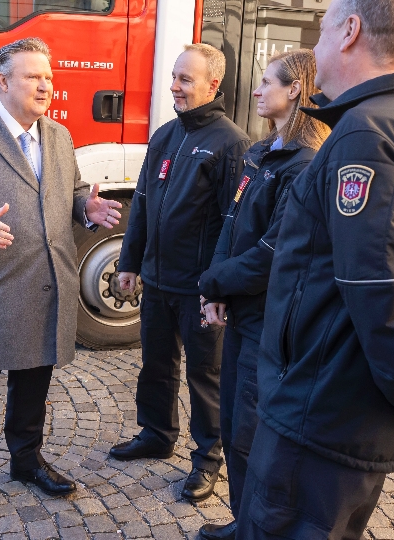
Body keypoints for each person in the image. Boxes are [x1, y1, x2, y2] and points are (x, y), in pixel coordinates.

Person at [236, 0, 394, 537]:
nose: (316, 46)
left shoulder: (365, 135)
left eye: (323, 28)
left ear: (351, 30)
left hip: (321, 414)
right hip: (342, 415)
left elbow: (382, 291)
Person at [0, 38, 122, 523]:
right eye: (33, 76)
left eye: (48, 77)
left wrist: (87, 207)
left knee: (34, 381)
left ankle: (27, 461)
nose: (45, 85)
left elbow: (72, 191)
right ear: (2, 82)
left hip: (46, 284)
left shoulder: (59, 135)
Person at [196, 49, 329, 540]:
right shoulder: (260, 151)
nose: (255, 90)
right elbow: (232, 227)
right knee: (234, 429)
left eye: (266, 82)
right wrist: (217, 286)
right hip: (242, 313)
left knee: (252, 438)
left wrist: (211, 283)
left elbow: (272, 254)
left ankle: (257, 529)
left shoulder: (304, 163)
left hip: (270, 326)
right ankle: (243, 524)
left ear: (294, 90)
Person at [112, 43, 250, 503]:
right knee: (156, 364)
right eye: (174, 76)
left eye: (185, 79)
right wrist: (131, 262)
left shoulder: (231, 144)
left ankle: (208, 458)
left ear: (213, 85)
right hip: (157, 281)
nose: (174, 86)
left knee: (206, 376)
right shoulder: (165, 135)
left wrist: (219, 288)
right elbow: (143, 204)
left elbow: (235, 226)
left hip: (199, 290)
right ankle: (156, 434)